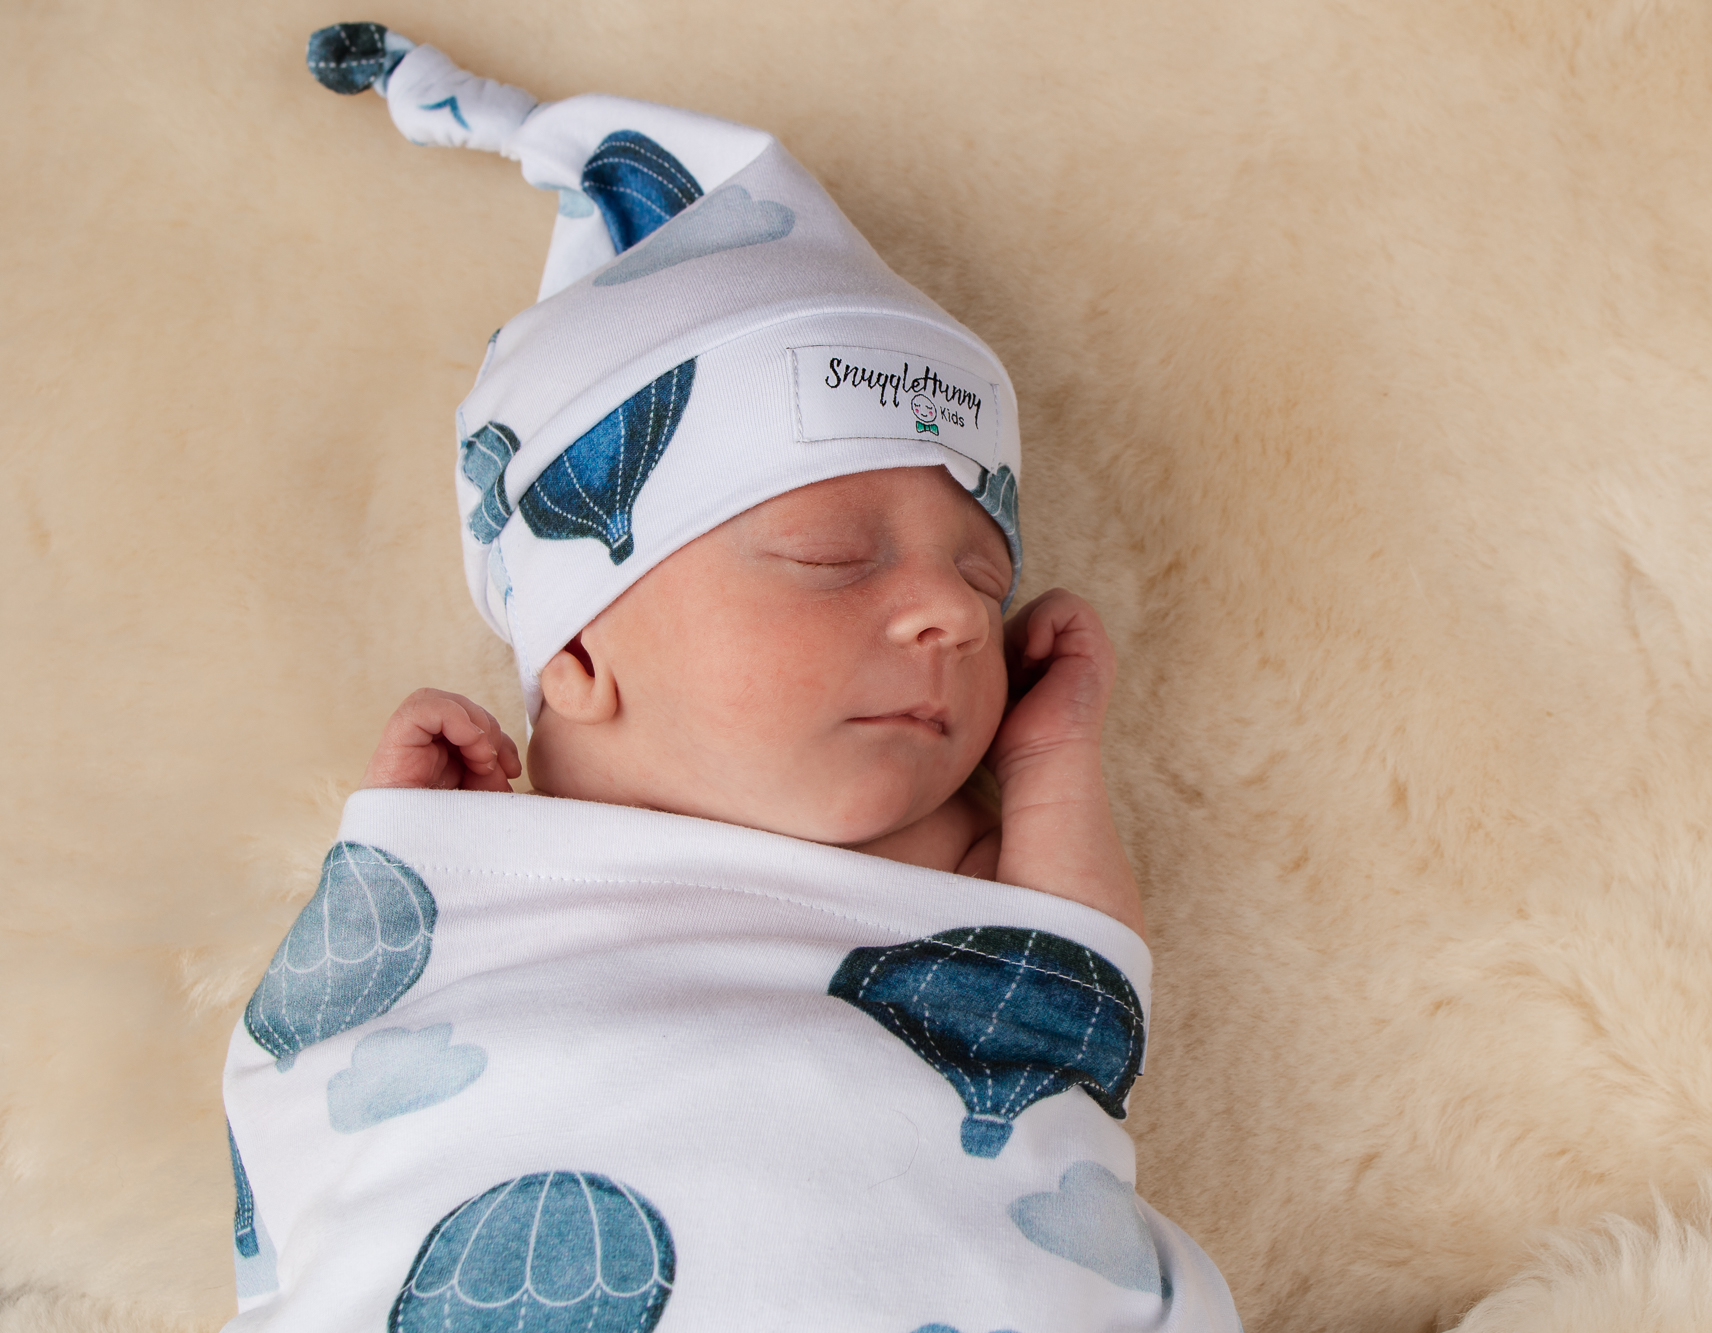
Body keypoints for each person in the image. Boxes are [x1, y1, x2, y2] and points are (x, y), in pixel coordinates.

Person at [221, 26, 1239, 1332]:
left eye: (985, 579)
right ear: (578, 651)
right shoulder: (497, 883)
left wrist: (1052, 755)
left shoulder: (950, 862)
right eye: (830, 557)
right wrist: (417, 864)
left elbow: (1067, 994)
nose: (949, 611)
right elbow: (343, 1075)